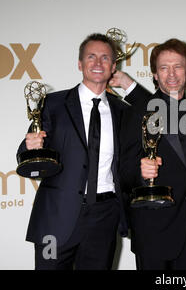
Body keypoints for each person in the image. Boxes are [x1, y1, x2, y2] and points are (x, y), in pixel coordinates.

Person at [17, 33, 136, 269]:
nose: (98, 63)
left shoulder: (123, 111)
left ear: (113, 66)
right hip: (56, 217)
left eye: (105, 58)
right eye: (91, 57)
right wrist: (29, 147)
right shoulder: (52, 104)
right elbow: (25, 157)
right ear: (80, 64)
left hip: (104, 217)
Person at [120, 38, 186, 270]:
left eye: (177, 67)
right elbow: (122, 173)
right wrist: (140, 172)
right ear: (154, 74)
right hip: (152, 231)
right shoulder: (137, 113)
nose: (171, 74)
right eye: (164, 68)